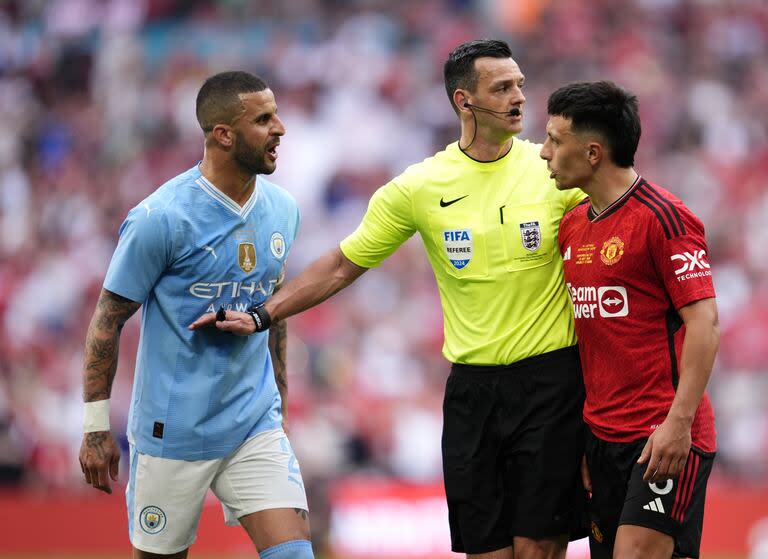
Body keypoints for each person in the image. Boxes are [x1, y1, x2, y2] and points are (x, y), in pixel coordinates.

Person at [191, 40, 587, 559]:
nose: (519, 97)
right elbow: (341, 264)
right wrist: (264, 313)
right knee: (487, 553)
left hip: (550, 385)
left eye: (520, 86)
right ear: (463, 101)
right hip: (473, 392)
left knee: (538, 549)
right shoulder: (421, 186)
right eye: (503, 87)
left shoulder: (553, 171)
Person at [78, 71, 315, 559]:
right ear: (223, 134)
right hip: (173, 431)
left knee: (293, 554)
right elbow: (107, 320)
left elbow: (275, 308)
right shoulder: (160, 218)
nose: (281, 129)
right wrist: (96, 427)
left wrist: (282, 407)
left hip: (253, 423)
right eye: (264, 119)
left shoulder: (283, 210)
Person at [541, 80, 718, 559]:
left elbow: (705, 325)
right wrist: (587, 436)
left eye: (555, 141)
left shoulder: (666, 219)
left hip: (662, 437)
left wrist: (677, 424)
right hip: (602, 439)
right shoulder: (573, 224)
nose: (543, 152)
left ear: (594, 152)